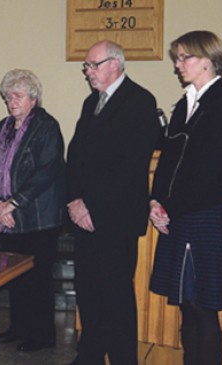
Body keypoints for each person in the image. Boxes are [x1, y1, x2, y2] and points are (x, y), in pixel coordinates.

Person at [148, 31, 222, 365]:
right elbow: (168, 161)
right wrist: (155, 201)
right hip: (180, 213)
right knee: (187, 305)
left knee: (204, 308)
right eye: (177, 57)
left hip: (204, 215)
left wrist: (169, 208)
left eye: (184, 57)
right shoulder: (185, 103)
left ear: (207, 60)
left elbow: (208, 173)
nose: (177, 64)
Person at [66, 40, 160, 364]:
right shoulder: (91, 102)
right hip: (85, 217)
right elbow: (74, 155)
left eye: (93, 65)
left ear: (115, 64)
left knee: (116, 296)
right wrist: (75, 201)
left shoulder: (140, 101)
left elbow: (130, 166)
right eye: (87, 66)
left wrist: (91, 205)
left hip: (116, 218)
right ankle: (89, 356)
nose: (88, 71)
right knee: (88, 292)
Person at [0, 69, 66, 352]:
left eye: (17, 95)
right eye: (8, 96)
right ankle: (18, 327)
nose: (11, 101)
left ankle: (41, 335)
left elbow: (46, 171)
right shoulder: (2, 126)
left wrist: (14, 202)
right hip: (8, 217)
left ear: (33, 98)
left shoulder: (46, 126)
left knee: (37, 279)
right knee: (14, 277)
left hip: (38, 217)